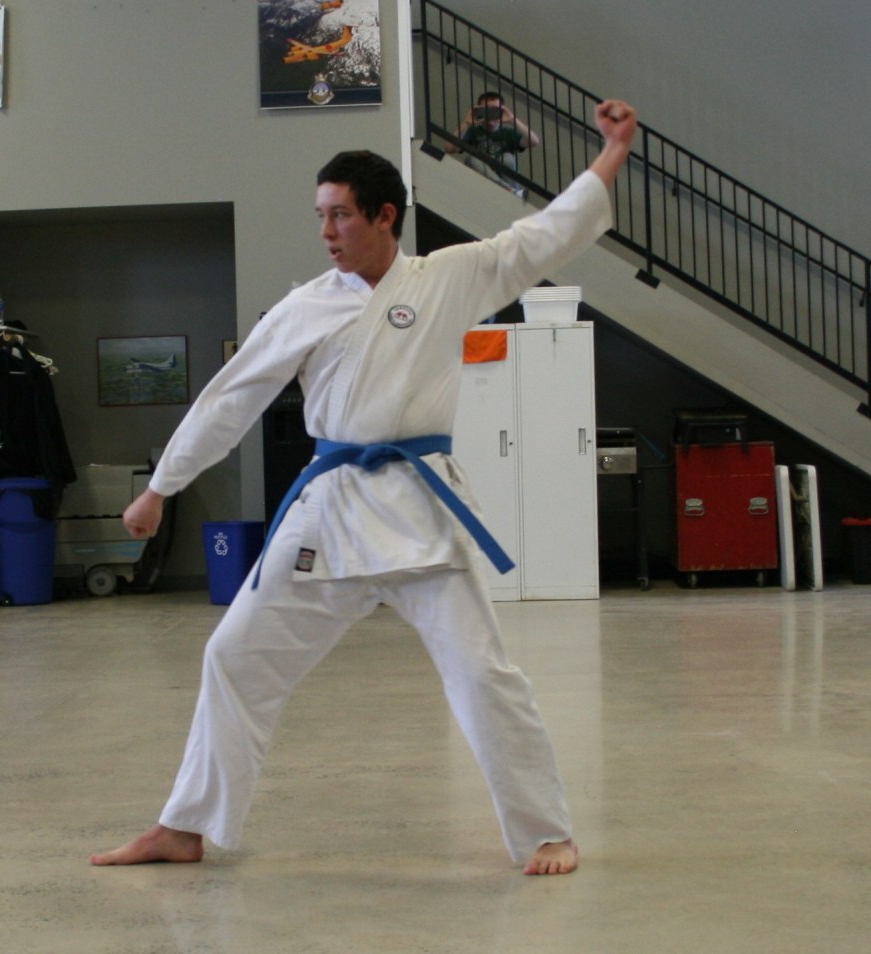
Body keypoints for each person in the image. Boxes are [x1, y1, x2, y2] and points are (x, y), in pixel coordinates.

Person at [91, 99, 638, 876]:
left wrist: (611, 151)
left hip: (423, 511)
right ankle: (186, 826)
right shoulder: (307, 305)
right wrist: (162, 487)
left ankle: (545, 831)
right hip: (332, 511)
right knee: (234, 657)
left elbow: (546, 235)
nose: (326, 232)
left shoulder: (451, 277)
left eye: (340, 215)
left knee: (483, 675)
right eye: (320, 215)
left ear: (385, 217)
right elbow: (232, 395)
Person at [445, 91, 540, 196]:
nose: (490, 115)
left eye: (494, 110)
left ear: (501, 111)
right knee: (471, 159)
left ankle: (512, 190)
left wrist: (512, 119)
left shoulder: (508, 133)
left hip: (506, 177)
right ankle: (510, 191)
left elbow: (534, 141)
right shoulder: (473, 131)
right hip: (483, 176)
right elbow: (449, 148)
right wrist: (466, 123)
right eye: (486, 110)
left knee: (507, 158)